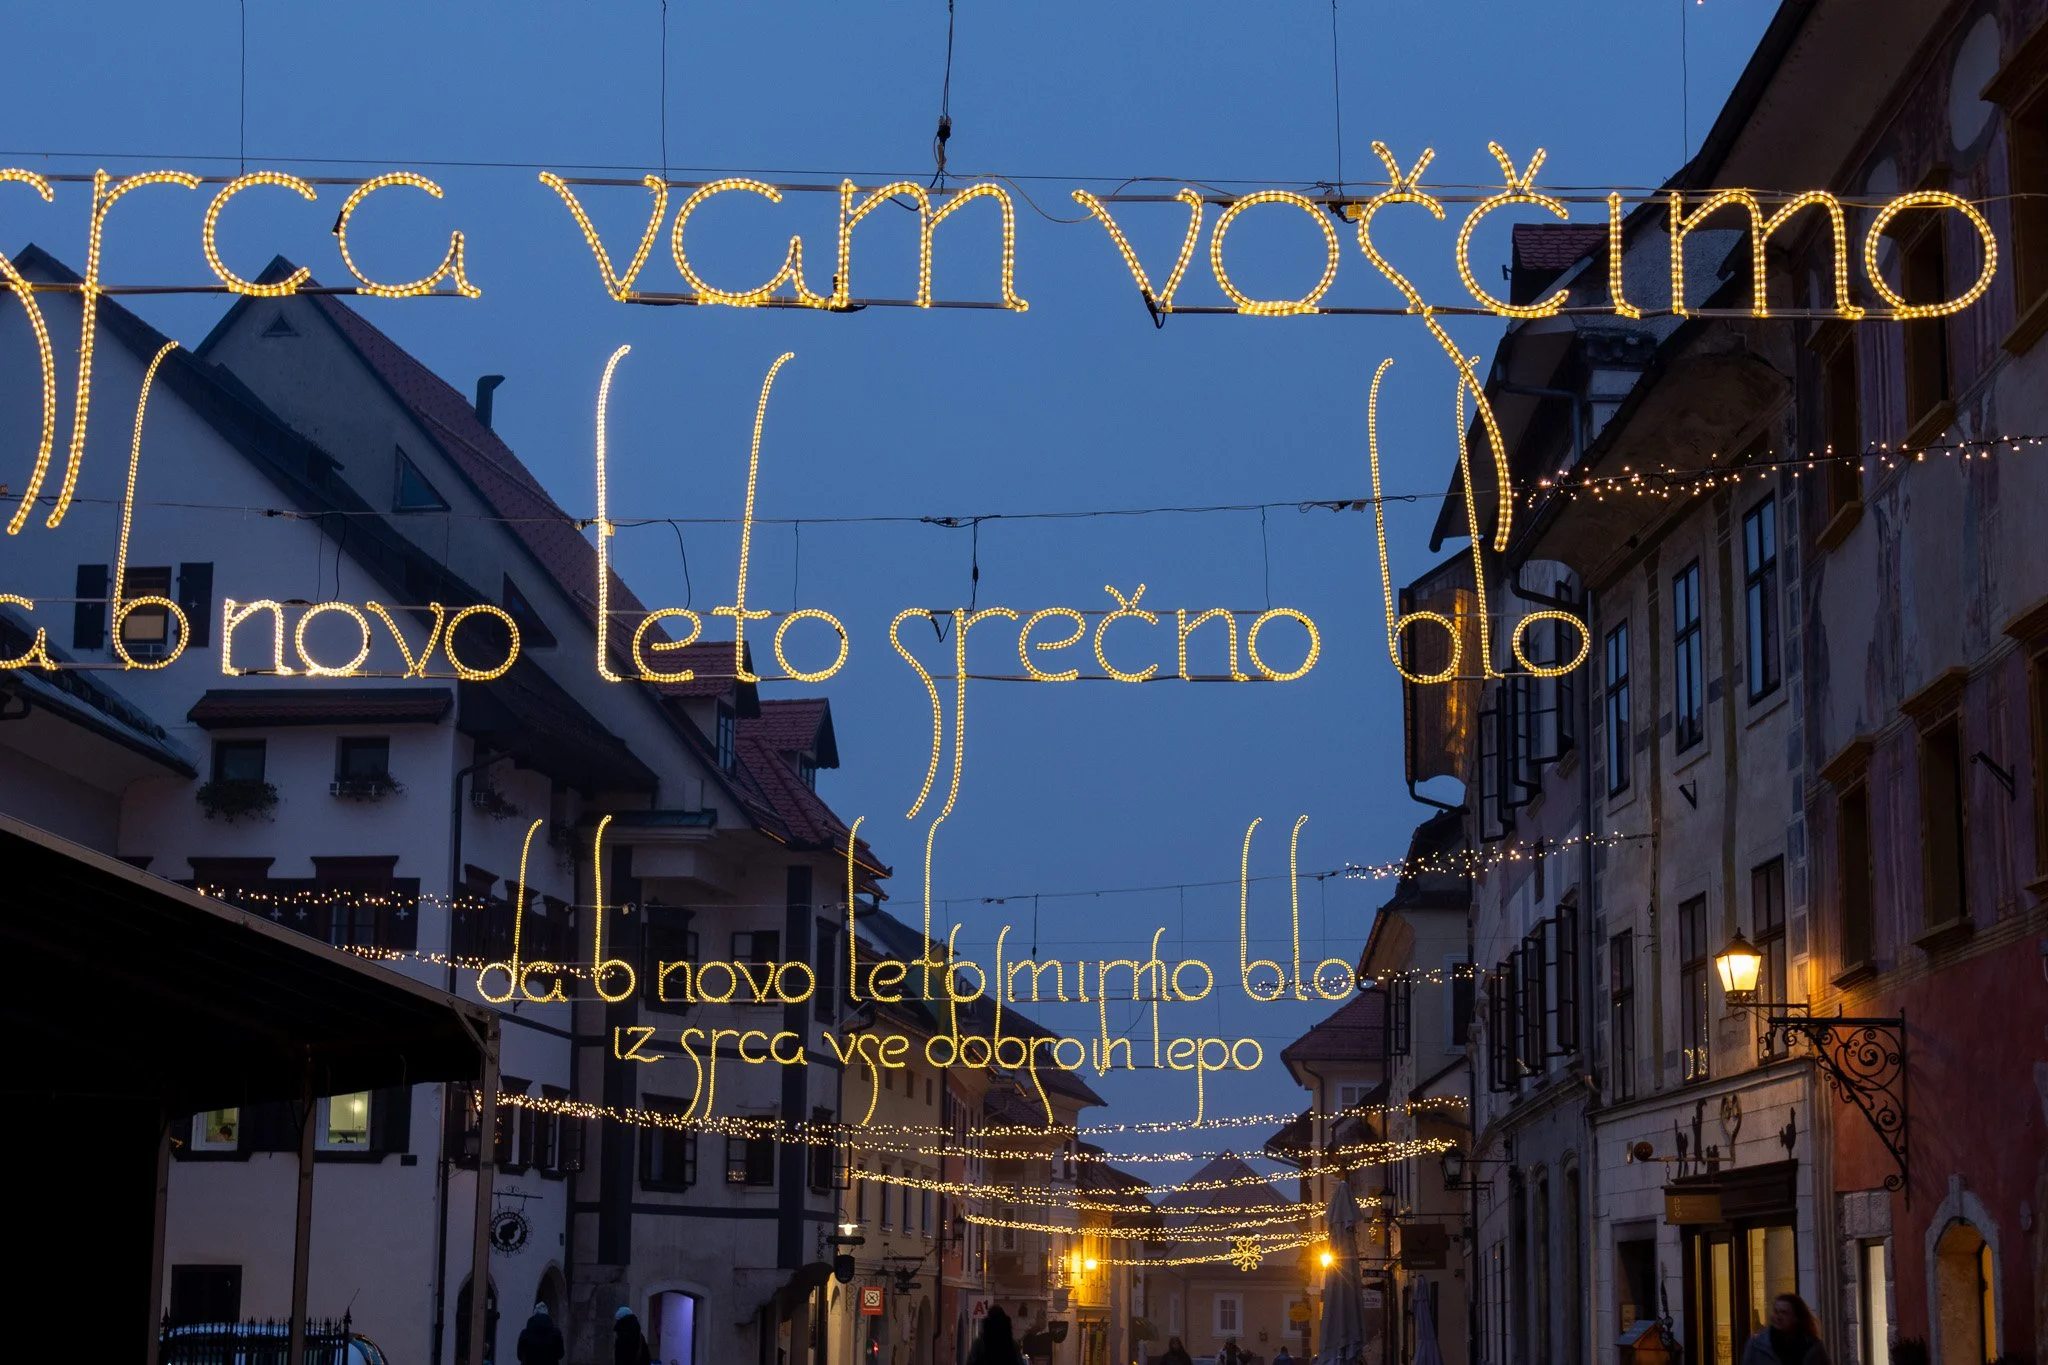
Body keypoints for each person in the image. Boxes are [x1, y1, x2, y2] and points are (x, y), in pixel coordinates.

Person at [1741, 1293, 1830, 1365]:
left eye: (1784, 1313)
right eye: (1776, 1311)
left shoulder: (1813, 1348)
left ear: (1796, 1318)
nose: (1778, 1317)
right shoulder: (1756, 1345)